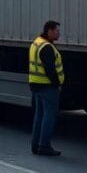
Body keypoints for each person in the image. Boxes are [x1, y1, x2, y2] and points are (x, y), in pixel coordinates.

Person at [28, 20, 64, 156]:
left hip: (36, 84)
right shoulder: (47, 47)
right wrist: (57, 84)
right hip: (47, 86)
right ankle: (44, 145)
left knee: (39, 115)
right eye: (56, 30)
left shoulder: (36, 43)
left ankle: (35, 144)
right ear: (49, 31)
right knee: (49, 115)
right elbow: (50, 69)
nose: (58, 33)